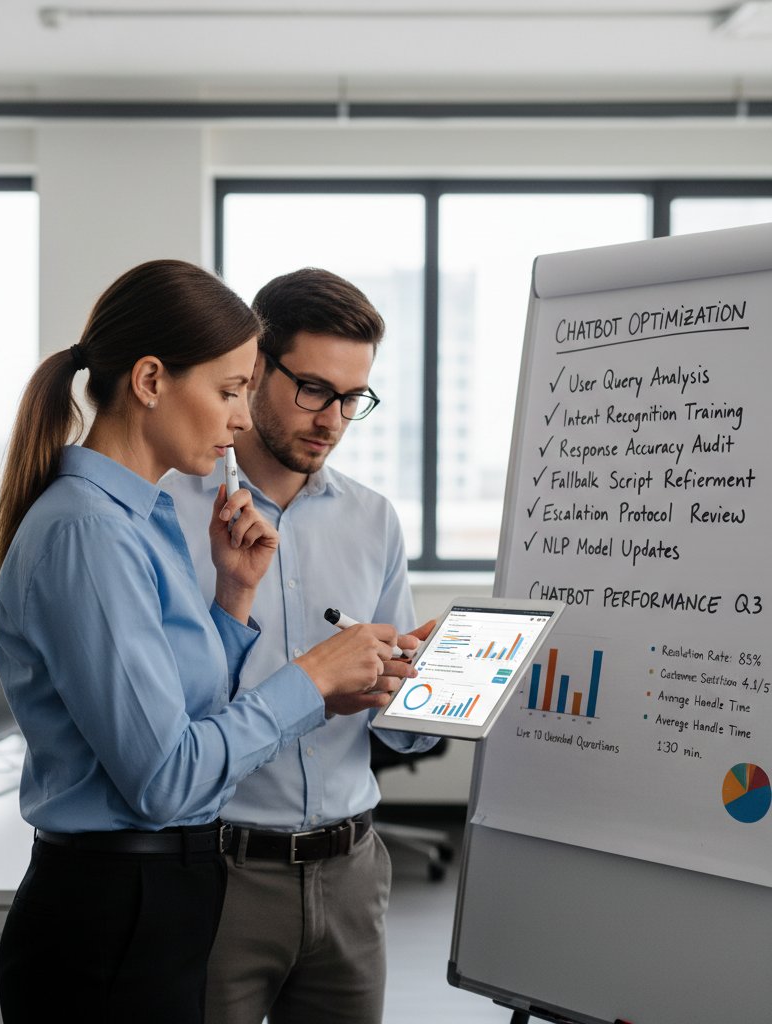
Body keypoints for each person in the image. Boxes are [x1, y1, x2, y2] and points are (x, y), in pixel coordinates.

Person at [0, 259, 418, 1024]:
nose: (240, 418)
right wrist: (312, 680)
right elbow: (166, 778)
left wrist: (233, 600)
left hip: (163, 895)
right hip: (121, 905)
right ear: (151, 381)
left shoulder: (139, 518)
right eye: (229, 390)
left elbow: (183, 709)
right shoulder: (90, 530)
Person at [164, 267, 439, 1024]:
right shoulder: (167, 513)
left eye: (353, 398)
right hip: (218, 870)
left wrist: (425, 685)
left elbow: (401, 727)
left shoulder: (374, 519)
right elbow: (165, 724)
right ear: (254, 369)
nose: (333, 420)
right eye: (314, 390)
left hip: (352, 873)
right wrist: (311, 685)